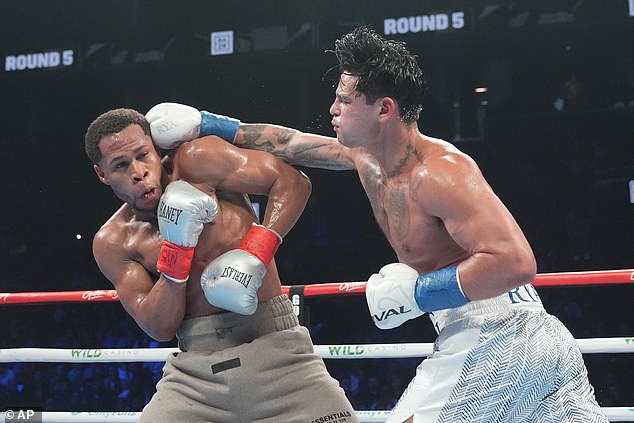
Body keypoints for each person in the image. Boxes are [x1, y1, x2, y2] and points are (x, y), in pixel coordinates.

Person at [145, 26, 608, 422]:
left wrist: (419, 293)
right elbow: (290, 144)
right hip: (517, 341)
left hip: (501, 335)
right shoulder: (366, 159)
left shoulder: (440, 173)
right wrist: (207, 123)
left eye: (345, 100)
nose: (333, 108)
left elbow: (516, 263)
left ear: (384, 109)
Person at [84, 108, 359, 423]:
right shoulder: (114, 241)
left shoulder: (197, 160)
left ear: (155, 149)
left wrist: (256, 253)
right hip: (195, 378)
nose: (138, 172)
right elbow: (159, 327)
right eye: (120, 165)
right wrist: (176, 252)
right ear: (102, 174)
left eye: (143, 155)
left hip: (279, 351)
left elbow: (292, 182)